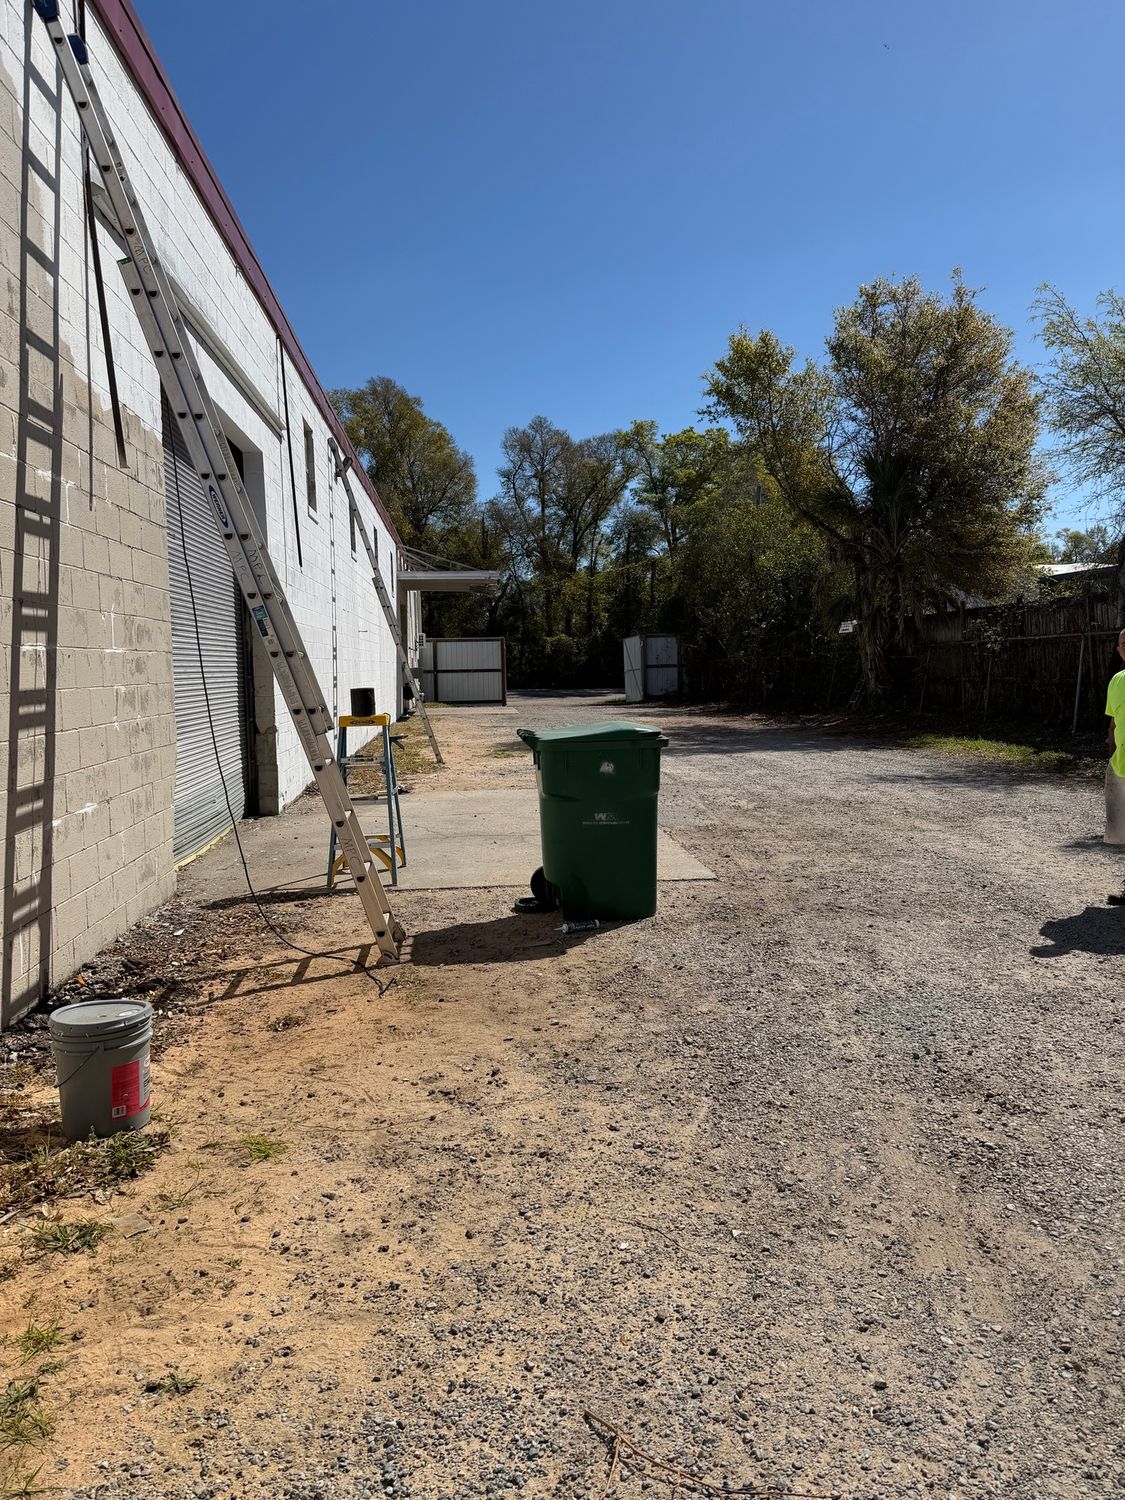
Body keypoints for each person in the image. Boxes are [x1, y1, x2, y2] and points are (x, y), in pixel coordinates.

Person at [1105, 628, 1125, 901]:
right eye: (1123, 643)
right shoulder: (1117, 681)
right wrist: (1110, 753)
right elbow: (1113, 724)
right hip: (1121, 765)